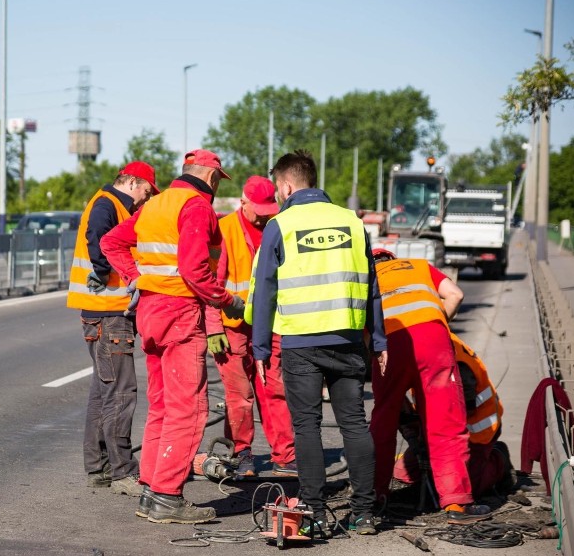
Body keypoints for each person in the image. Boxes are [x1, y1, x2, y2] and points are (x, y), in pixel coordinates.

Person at [246, 150, 386, 537]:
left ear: (288, 185)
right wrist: (378, 340)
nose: (276, 194)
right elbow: (373, 287)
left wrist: (259, 348)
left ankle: (315, 512)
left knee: (306, 426)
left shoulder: (281, 225)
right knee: (354, 425)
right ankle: (364, 514)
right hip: (347, 337)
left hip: (301, 343)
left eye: (277, 187)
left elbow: (264, 292)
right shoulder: (352, 223)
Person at [100, 149, 243, 524]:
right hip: (179, 312)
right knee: (187, 408)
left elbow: (111, 242)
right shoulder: (196, 206)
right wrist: (227, 300)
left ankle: (151, 487)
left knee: (162, 404)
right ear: (213, 178)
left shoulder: (156, 204)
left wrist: (136, 278)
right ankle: (166, 496)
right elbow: (195, 270)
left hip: (150, 311)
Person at [369, 248, 491, 525]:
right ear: (394, 259)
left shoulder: (365, 275)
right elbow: (456, 295)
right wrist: (436, 323)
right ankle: (457, 504)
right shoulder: (418, 266)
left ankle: (373, 500)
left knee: (383, 424)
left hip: (388, 347)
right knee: (446, 424)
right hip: (433, 341)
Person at [66, 161, 159, 498]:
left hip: (100, 312)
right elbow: (100, 241)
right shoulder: (107, 204)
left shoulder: (110, 203)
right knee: (121, 391)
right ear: (134, 183)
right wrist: (105, 272)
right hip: (109, 312)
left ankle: (100, 467)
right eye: (147, 191)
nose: (146, 199)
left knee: (102, 391)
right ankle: (121, 471)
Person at [206, 176, 297, 479]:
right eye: (257, 209)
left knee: (275, 389)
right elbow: (211, 282)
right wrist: (213, 325)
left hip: (270, 323)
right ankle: (241, 453)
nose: (263, 214)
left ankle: (285, 455)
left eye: (267, 208)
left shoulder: (277, 227)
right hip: (233, 326)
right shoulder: (225, 229)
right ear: (242, 202)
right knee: (240, 394)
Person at [393, 332, 511, 498]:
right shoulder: (420, 347)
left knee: (467, 488)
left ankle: (500, 459)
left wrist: (438, 450)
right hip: (440, 431)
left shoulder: (455, 362)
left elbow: (461, 415)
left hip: (475, 435)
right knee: (404, 474)